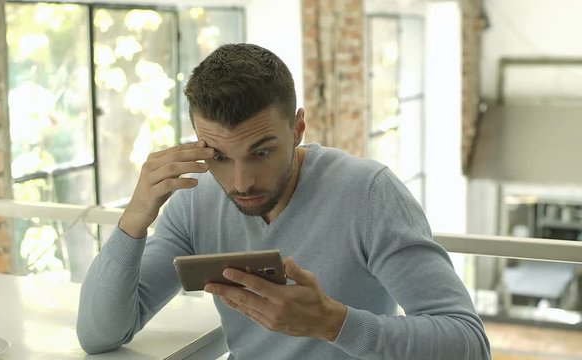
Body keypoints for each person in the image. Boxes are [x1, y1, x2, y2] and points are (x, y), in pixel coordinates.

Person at [77, 43, 491, 360]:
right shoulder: (194, 200)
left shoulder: (369, 194)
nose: (241, 182)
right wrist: (133, 221)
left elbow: (469, 343)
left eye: (261, 151)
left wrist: (334, 323)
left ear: (298, 128)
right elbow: (100, 334)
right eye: (219, 156)